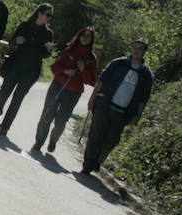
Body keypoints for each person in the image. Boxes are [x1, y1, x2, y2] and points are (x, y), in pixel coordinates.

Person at [81, 38, 153, 175]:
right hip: (104, 105)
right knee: (95, 136)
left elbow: (144, 98)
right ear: (131, 48)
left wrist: (138, 115)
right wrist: (92, 99)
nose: (136, 51)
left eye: (140, 49)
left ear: (144, 52)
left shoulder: (146, 74)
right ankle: (87, 165)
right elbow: (101, 81)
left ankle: (98, 160)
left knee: (112, 141)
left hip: (123, 113)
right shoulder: (118, 63)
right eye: (135, 47)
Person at [0, 3, 55, 138]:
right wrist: (17, 40)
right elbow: (12, 42)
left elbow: (45, 55)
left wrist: (48, 50)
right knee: (4, 92)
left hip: (32, 70)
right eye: (47, 14)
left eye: (51, 16)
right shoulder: (25, 25)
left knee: (17, 99)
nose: (49, 18)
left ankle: (5, 127)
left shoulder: (48, 33)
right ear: (39, 13)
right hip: (15, 65)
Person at [30, 25, 98, 155]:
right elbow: (54, 68)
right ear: (79, 36)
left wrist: (83, 69)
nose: (85, 38)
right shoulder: (69, 50)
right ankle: (39, 142)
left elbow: (90, 81)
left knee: (61, 120)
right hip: (57, 86)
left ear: (91, 39)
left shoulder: (91, 58)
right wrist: (66, 71)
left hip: (74, 92)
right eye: (83, 35)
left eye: (88, 36)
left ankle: (53, 141)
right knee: (47, 114)